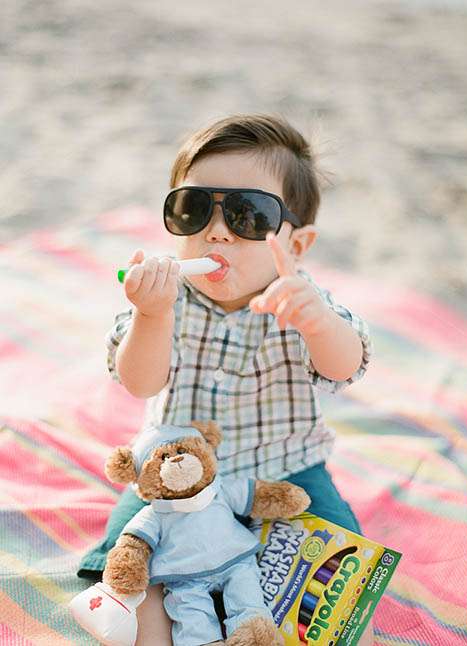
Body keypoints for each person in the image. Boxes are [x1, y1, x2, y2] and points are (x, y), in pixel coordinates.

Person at [77, 114, 375, 645]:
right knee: (132, 578)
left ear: (297, 245)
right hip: (171, 477)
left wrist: (318, 323)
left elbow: (346, 364)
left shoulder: (302, 303)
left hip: (287, 470)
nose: (217, 230)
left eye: (247, 214)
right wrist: (151, 316)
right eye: (194, 210)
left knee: (341, 571)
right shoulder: (164, 303)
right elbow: (140, 382)